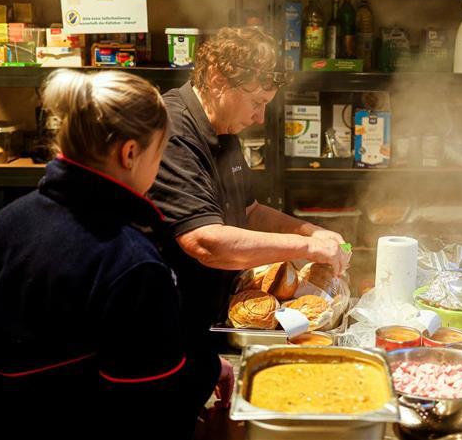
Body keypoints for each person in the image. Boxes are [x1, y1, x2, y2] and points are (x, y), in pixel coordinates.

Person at [0, 70, 224, 440]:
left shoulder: (1, 225)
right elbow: (151, 407)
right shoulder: (131, 262)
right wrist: (203, 371)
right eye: (159, 154)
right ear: (130, 153)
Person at [147, 27, 350, 367]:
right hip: (171, 329)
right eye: (257, 103)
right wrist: (308, 248)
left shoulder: (222, 129)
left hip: (217, 314)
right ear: (217, 79)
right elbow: (206, 243)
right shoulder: (174, 132)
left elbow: (250, 212)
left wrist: (310, 231)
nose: (260, 117)